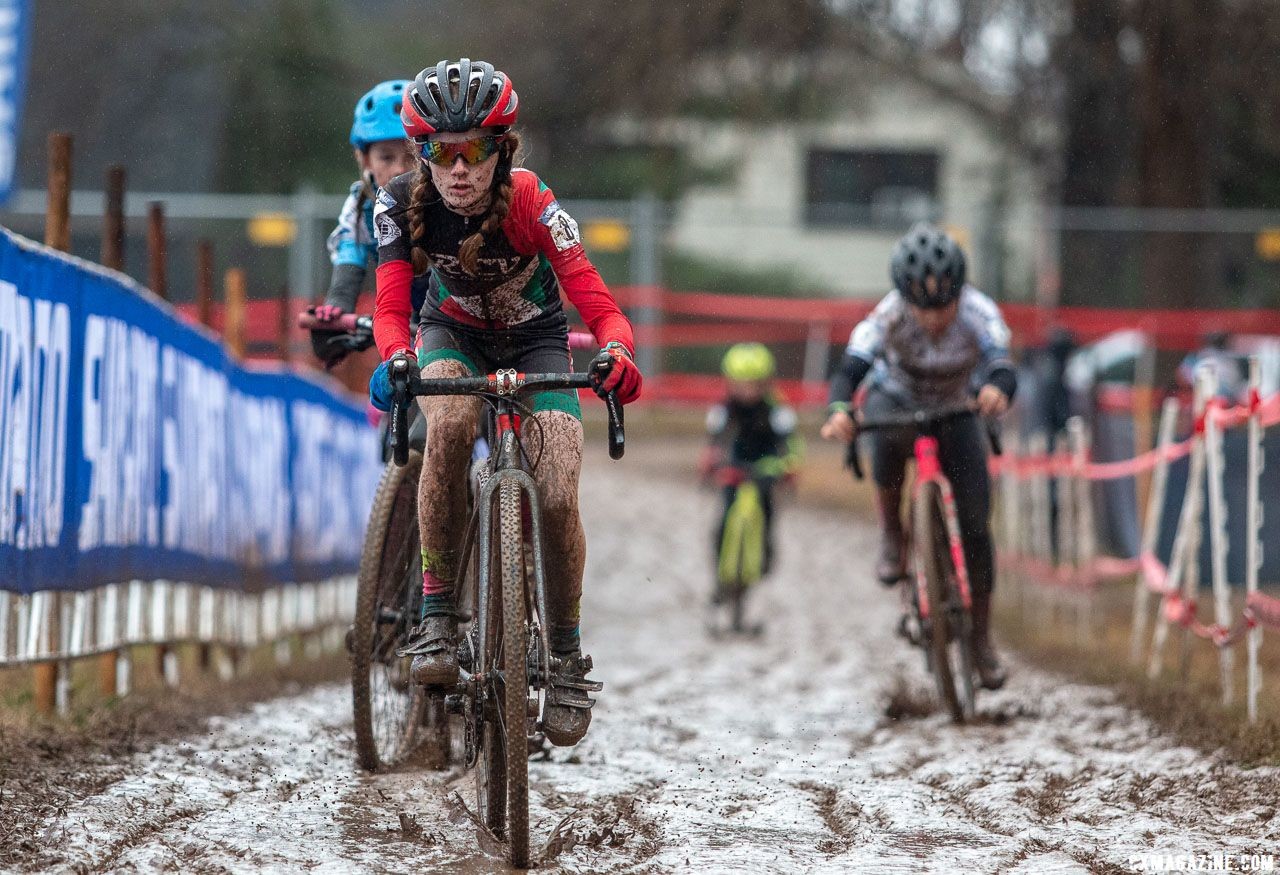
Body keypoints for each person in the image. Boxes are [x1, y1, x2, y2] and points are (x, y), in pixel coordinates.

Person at [367, 59, 643, 746]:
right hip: (451, 333)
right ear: (422, 154)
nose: (459, 170)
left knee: (556, 488)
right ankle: (435, 615)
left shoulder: (533, 204)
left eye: (477, 151)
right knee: (451, 423)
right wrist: (396, 358)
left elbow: (602, 307)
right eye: (441, 153)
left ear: (502, 151)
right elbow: (391, 306)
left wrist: (617, 354)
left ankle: (566, 657)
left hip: (536, 341)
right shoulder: (400, 204)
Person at [820, 222, 1016, 690]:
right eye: (921, 308)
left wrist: (996, 389)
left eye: (944, 306)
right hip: (898, 402)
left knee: (975, 524)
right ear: (903, 298)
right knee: (882, 440)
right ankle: (893, 532)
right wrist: (840, 409)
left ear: (959, 294)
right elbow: (851, 369)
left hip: (956, 406)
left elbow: (1002, 363)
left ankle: (983, 641)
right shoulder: (885, 317)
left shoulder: (979, 312)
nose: (933, 318)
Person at [308, 80, 419, 368]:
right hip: (406, 326)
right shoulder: (360, 208)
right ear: (365, 160)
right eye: (386, 157)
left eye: (412, 156)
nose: (399, 169)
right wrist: (335, 314)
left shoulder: (451, 198)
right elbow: (347, 274)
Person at [701, 343, 803, 602]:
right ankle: (720, 575)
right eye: (741, 384)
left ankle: (766, 553)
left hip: (766, 465)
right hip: (735, 465)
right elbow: (714, 440)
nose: (747, 391)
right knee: (724, 517)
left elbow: (790, 444)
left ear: (765, 383)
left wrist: (789, 467)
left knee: (767, 512)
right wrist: (710, 463)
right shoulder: (725, 409)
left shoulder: (777, 410)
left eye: (754, 384)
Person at [1177, 330, 1246, 401]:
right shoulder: (1197, 357)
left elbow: (1235, 384)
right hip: (1203, 398)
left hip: (1226, 400)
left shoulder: (1230, 357)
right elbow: (1182, 377)